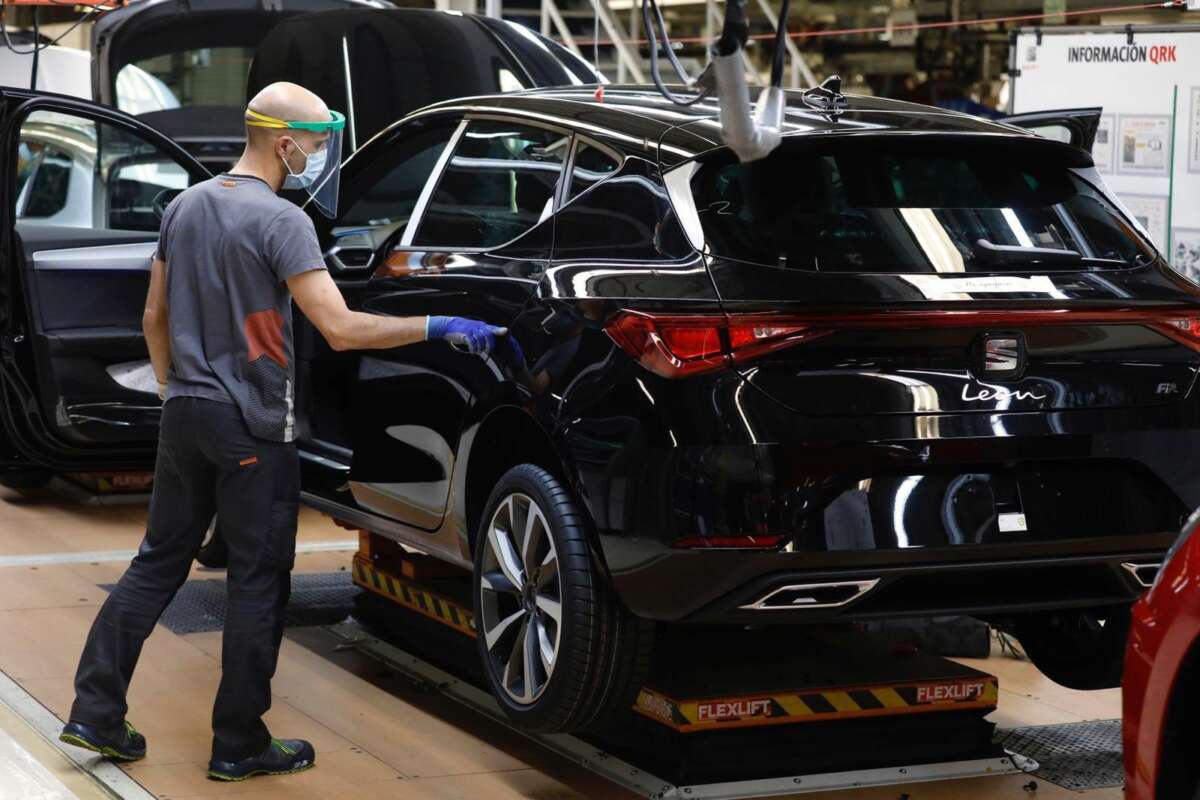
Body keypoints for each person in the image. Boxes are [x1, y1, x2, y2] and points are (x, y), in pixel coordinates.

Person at [58, 82, 504, 782]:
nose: (324, 154)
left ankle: (95, 712)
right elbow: (341, 327)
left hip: (185, 416)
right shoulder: (282, 222)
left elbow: (153, 316)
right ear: (284, 141)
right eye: (320, 141)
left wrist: (175, 385)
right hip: (255, 428)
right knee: (259, 583)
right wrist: (439, 326)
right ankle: (238, 742)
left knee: (156, 562)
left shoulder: (186, 205)